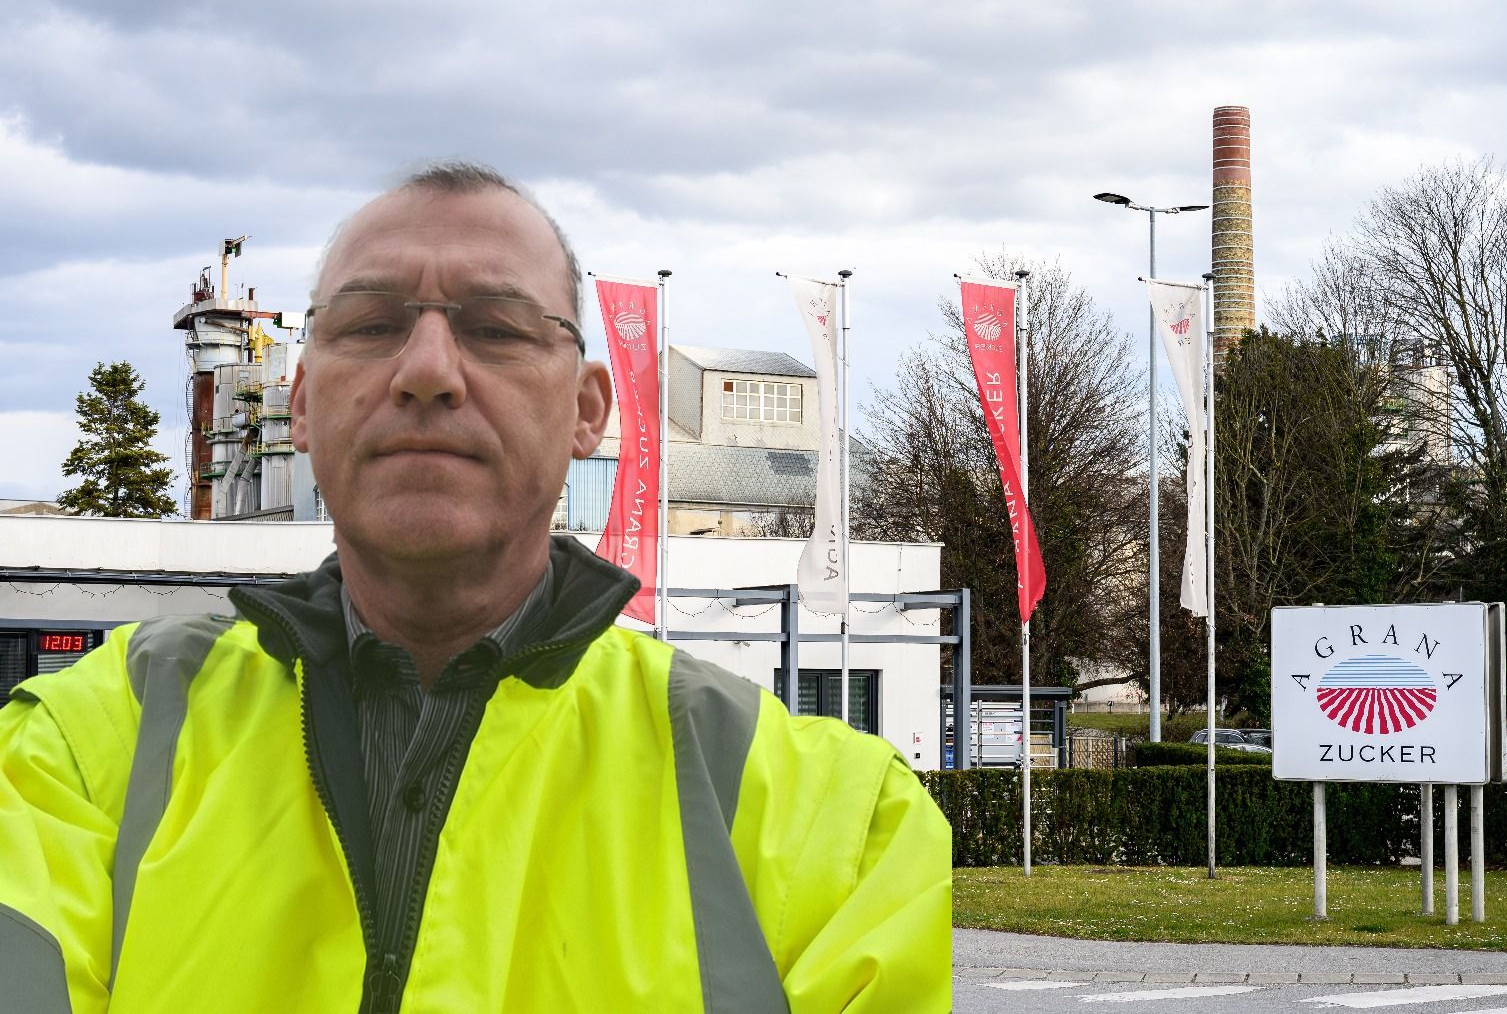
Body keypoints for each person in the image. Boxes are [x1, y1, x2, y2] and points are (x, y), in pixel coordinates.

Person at [0, 162, 952, 1012]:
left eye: (495, 329)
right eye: (370, 326)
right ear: (300, 403)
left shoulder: (834, 828)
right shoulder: (81, 755)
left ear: (587, 411)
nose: (425, 371)